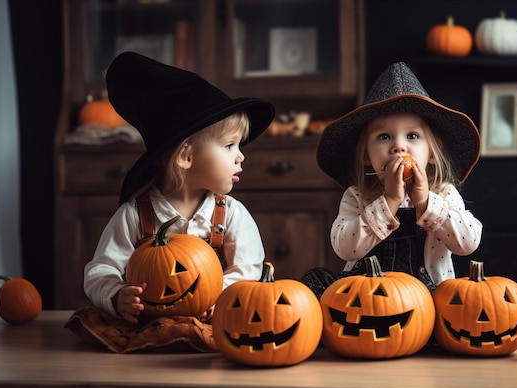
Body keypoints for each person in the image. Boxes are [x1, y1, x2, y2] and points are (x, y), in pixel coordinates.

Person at [84, 52, 275, 324]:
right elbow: (100, 269)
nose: (240, 155)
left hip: (214, 328)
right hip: (151, 327)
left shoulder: (231, 214)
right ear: (186, 156)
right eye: (229, 145)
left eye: (239, 145)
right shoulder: (136, 214)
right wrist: (116, 294)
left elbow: (248, 268)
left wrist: (220, 294)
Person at [301, 62, 482, 298]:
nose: (399, 146)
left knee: (465, 297)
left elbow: (468, 243)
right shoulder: (358, 196)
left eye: (412, 136)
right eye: (384, 136)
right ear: (367, 156)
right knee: (313, 281)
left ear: (432, 154)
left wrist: (426, 202)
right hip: (364, 298)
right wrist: (389, 201)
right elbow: (345, 248)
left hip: (426, 301)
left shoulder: (444, 194)